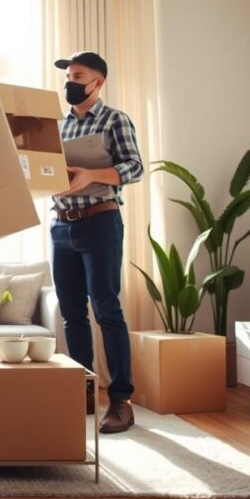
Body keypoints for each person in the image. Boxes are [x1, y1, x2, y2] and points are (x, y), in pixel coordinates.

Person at [50, 51, 144, 434]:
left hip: (100, 222)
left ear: (97, 82)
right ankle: (84, 392)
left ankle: (121, 401)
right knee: (72, 314)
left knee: (106, 309)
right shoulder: (57, 127)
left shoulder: (114, 119)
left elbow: (134, 167)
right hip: (61, 227)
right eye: (68, 76)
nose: (70, 82)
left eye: (77, 76)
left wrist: (91, 175)